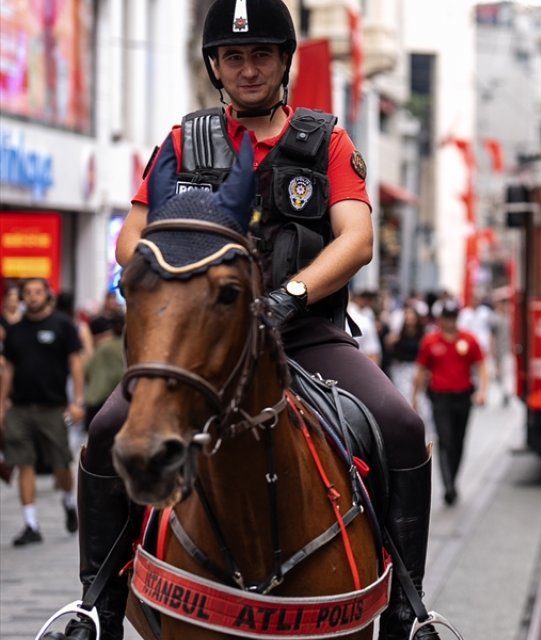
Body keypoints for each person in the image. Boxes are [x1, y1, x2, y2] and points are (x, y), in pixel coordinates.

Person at [56, 2, 437, 639]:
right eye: (234, 56)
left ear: (285, 61)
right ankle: (98, 605)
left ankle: (408, 606)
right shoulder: (184, 142)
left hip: (302, 334)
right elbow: (131, 241)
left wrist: (290, 294)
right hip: (204, 340)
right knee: (105, 432)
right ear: (215, 66)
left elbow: (356, 238)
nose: (248, 68)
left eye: (261, 54)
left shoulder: (328, 141)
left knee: (400, 425)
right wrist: (180, 272)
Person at [0, 278, 83, 546]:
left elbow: (75, 363)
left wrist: (77, 401)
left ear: (47, 296)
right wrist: (2, 403)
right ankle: (31, 524)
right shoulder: (15, 331)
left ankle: (70, 503)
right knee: (24, 463)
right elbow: (9, 369)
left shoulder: (62, 325)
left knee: (60, 463)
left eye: (38, 292)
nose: (33, 297)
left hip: (53, 407)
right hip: (20, 408)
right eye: (28, 293)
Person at [413, 299, 488, 506]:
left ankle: (452, 480)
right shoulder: (430, 341)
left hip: (463, 396)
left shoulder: (469, 340)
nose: (449, 322)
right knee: (445, 440)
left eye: (453, 317)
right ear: (441, 319)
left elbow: (481, 366)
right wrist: (415, 397)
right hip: (440, 398)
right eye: (446, 317)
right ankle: (448, 486)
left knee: (459, 441)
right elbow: (420, 370)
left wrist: (483, 391)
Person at [82, 315, 124, 432]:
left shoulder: (103, 347)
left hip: (97, 402)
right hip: (119, 403)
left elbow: (87, 370)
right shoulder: (128, 346)